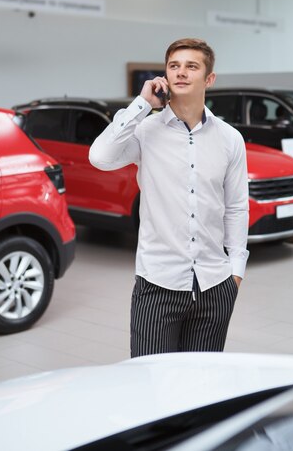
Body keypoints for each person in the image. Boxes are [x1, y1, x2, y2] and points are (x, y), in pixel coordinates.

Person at [89, 38, 249, 357]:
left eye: (192, 66)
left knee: (202, 389)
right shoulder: (146, 131)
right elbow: (100, 157)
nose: (181, 73)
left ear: (209, 78)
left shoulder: (230, 139)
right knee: (151, 384)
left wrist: (236, 272)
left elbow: (235, 207)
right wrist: (142, 103)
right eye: (174, 66)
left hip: (215, 285)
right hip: (157, 284)